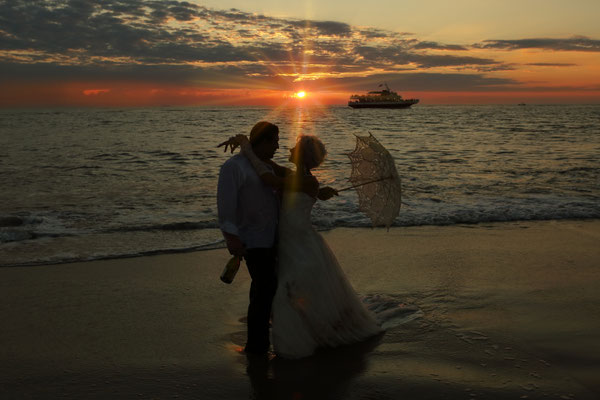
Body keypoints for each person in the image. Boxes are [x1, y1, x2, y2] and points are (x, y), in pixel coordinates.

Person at [221, 133, 382, 359]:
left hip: (299, 240)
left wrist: (247, 146)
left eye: (295, 146)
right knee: (288, 288)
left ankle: (293, 343)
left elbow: (270, 179)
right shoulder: (299, 177)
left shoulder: (308, 181)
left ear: (302, 155)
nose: (289, 148)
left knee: (289, 288)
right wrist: (247, 145)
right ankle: (296, 337)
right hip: (289, 239)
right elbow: (267, 164)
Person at [216, 121, 283, 354]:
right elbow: (225, 206)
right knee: (264, 289)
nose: (278, 145)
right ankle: (256, 345)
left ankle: (259, 341)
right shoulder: (234, 167)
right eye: (274, 140)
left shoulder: (266, 166)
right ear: (263, 142)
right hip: (251, 239)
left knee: (264, 289)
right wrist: (231, 238)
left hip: (271, 236)